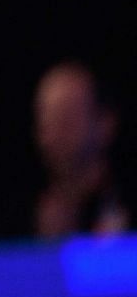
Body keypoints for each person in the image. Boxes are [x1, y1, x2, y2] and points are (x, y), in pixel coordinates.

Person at [31, 61, 127, 239]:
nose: (52, 136)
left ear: (105, 123)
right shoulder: (19, 208)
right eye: (46, 122)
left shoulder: (124, 200)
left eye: (66, 120)